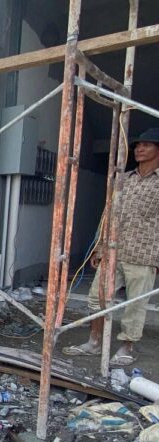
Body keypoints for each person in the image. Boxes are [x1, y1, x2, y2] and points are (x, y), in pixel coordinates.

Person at [63, 127, 159, 366]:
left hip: (145, 253)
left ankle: (127, 346)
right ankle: (95, 342)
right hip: (114, 250)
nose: (140, 149)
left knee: (135, 304)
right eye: (137, 145)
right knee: (96, 298)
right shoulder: (124, 179)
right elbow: (109, 215)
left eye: (146, 145)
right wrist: (99, 247)